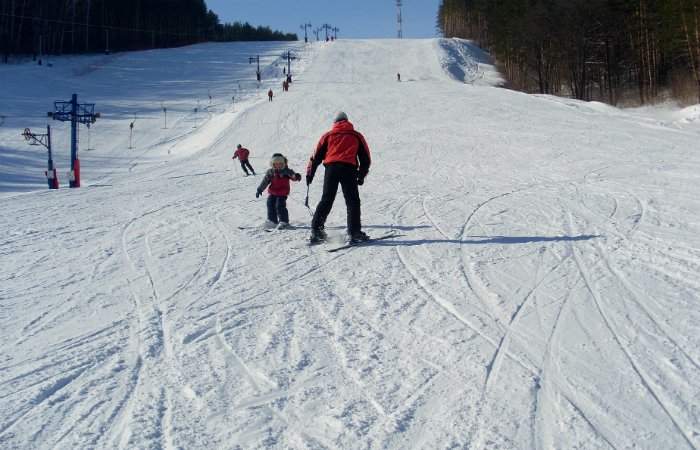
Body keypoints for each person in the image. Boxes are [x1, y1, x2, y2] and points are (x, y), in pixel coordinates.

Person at [306, 111, 371, 244]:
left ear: (334, 123)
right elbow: (366, 158)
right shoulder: (356, 135)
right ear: (347, 121)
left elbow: (315, 156)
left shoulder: (328, 135)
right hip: (348, 169)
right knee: (352, 201)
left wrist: (310, 173)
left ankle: (316, 231)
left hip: (331, 169)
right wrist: (361, 175)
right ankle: (354, 233)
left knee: (327, 199)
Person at [256, 153, 302, 229]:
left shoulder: (287, 171)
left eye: (280, 163)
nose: (278, 165)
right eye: (276, 164)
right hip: (273, 192)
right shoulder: (270, 172)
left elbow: (293, 176)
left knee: (279, 206)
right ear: (273, 164)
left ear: (284, 163)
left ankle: (284, 221)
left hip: (282, 193)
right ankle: (272, 221)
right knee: (270, 204)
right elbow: (265, 181)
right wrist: (259, 189)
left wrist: (296, 176)